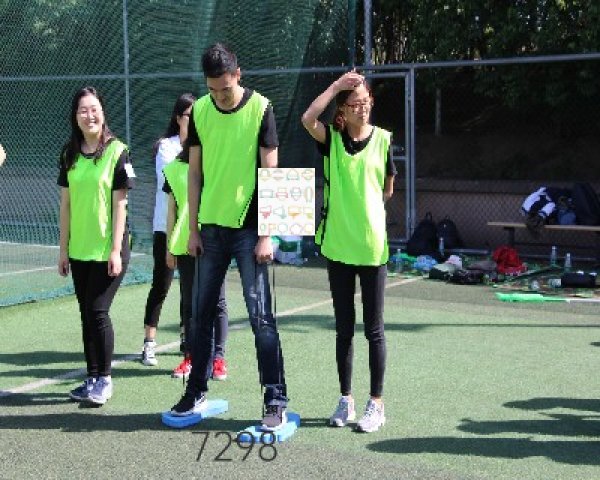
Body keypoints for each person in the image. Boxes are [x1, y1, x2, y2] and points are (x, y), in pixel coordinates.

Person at [169, 43, 288, 431]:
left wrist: (267, 235)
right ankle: (195, 391)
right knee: (200, 317)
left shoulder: (261, 108)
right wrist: (192, 229)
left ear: (238, 75)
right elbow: (194, 173)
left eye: (225, 87)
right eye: (212, 88)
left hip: (250, 231)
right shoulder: (201, 111)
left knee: (261, 318)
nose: (219, 95)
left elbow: (271, 174)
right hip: (210, 229)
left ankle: (275, 399)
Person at [301, 71, 396, 433]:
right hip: (338, 246)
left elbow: (387, 187)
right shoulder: (332, 140)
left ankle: (376, 403)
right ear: (342, 108)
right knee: (344, 329)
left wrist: (366, 213)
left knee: (374, 329)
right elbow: (308, 118)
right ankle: (346, 399)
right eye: (354, 103)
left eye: (366, 102)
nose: (362, 108)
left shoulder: (383, 140)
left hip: (371, 247)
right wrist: (335, 87)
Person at [141, 93, 229, 381]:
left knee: (217, 300)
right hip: (179, 236)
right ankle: (167, 348)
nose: (194, 123)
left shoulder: (213, 153)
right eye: (191, 116)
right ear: (179, 118)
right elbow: (173, 199)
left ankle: (216, 358)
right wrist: (171, 243)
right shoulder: (169, 154)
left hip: (212, 236)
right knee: (173, 290)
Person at [58, 86, 135, 405]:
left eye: (94, 109)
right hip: (79, 250)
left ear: (103, 113)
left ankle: (104, 379)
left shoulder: (118, 151)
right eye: (83, 110)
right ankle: (91, 378)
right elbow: (65, 205)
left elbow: (121, 204)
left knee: (97, 311)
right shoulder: (69, 154)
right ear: (75, 117)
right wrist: (63, 249)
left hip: (109, 250)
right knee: (86, 314)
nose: (89, 115)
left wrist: (115, 250)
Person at [162, 141, 229, 380]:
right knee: (190, 304)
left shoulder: (217, 164)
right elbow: (171, 211)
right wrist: (169, 248)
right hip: (185, 244)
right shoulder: (174, 169)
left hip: (214, 242)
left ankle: (218, 359)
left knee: (217, 301)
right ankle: (190, 357)